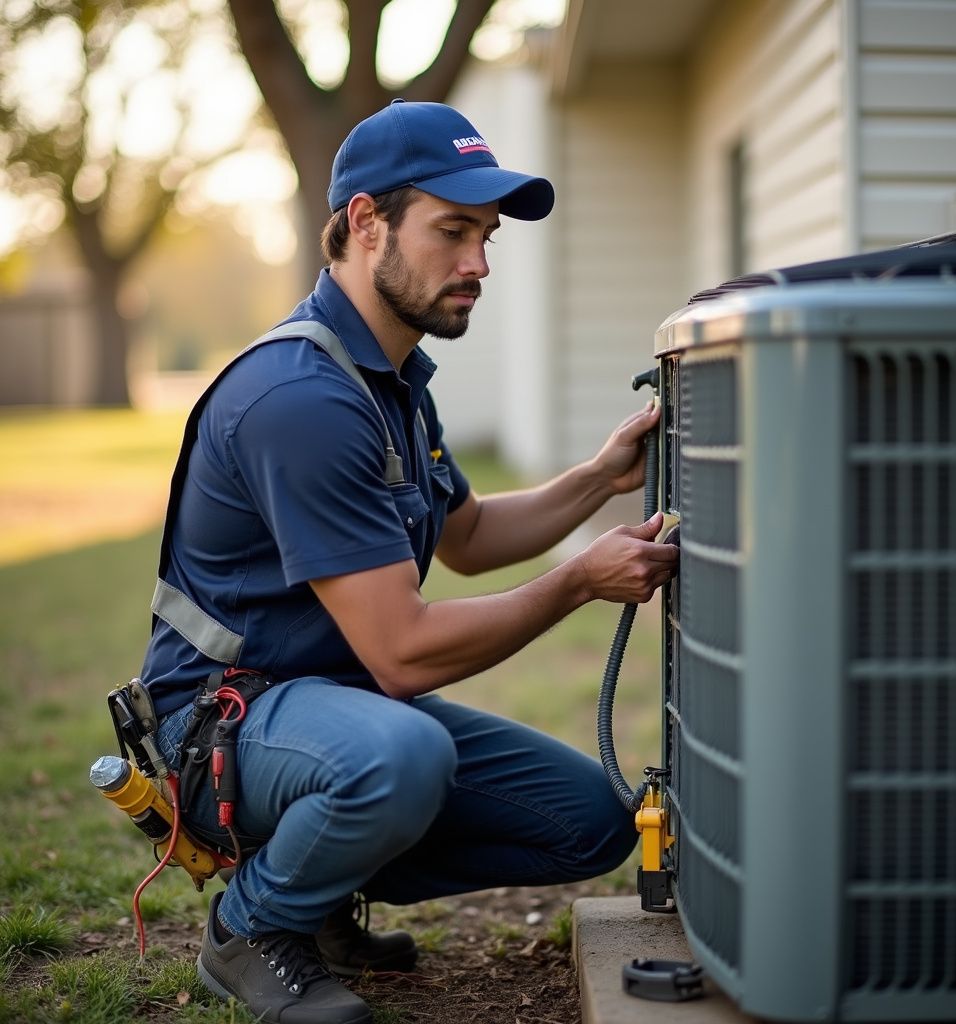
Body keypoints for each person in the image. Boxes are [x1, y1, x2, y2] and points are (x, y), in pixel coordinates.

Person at [144, 98, 677, 1024]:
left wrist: (597, 479)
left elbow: (464, 539)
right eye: (451, 231)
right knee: (403, 751)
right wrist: (578, 580)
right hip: (226, 729)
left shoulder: (390, 381)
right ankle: (255, 925)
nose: (476, 264)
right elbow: (403, 652)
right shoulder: (302, 398)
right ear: (364, 222)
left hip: (332, 712)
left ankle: (316, 897)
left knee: (588, 820)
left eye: (487, 238)